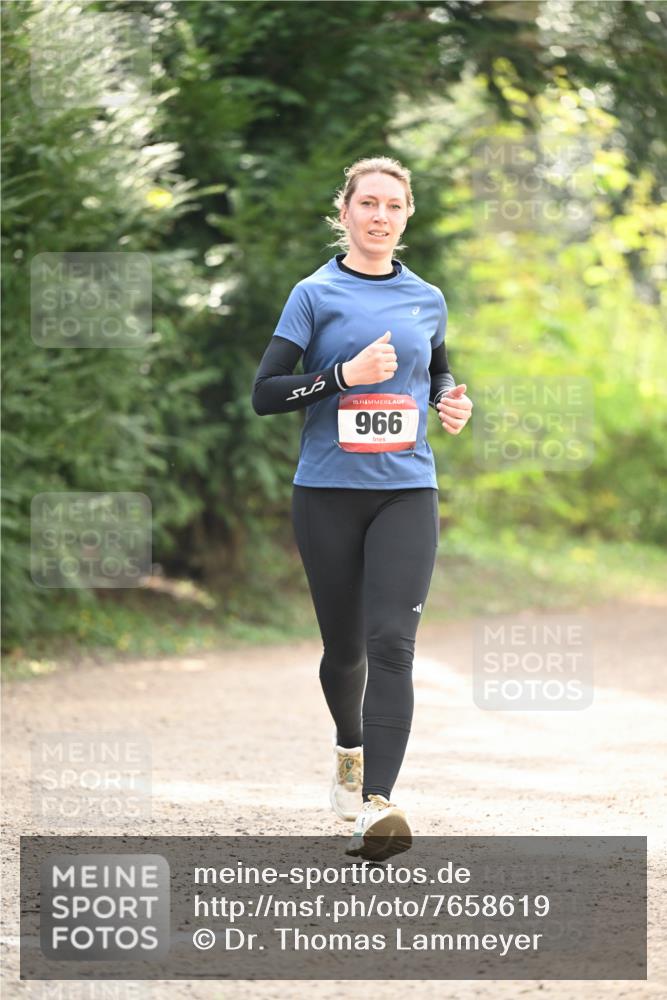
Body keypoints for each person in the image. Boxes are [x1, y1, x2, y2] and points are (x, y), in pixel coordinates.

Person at [251, 156, 472, 862]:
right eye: (367, 203)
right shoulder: (314, 295)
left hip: (406, 488)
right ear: (344, 212)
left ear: (408, 216)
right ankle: (348, 747)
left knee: (391, 646)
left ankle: (378, 806)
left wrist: (448, 400)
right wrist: (341, 376)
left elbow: (434, 366)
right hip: (326, 495)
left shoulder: (426, 297)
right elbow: (264, 392)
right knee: (344, 651)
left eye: (394, 205)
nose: (380, 216)